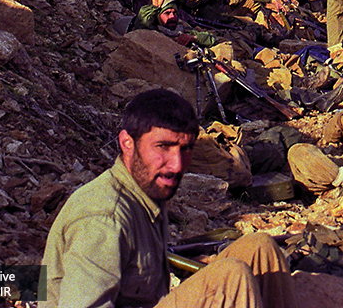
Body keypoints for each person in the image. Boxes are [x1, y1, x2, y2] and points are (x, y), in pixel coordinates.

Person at [43, 89, 297, 308]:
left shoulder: (146, 190)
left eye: (185, 149)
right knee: (232, 277)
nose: (176, 164)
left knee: (260, 248)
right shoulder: (103, 218)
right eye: (162, 147)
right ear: (127, 143)